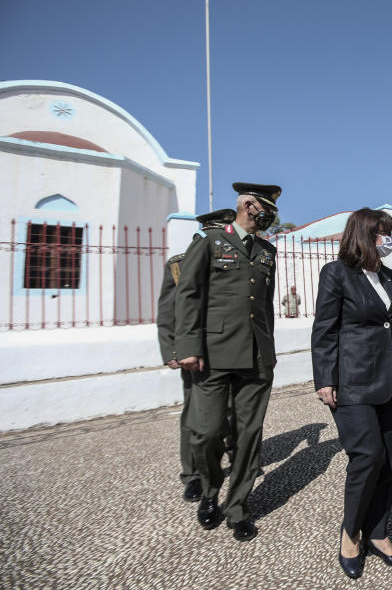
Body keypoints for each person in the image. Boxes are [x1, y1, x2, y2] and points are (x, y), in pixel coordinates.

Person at [312, 208, 392, 579]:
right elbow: (325, 330)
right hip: (353, 381)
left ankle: (378, 533)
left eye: (390, 233)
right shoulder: (337, 274)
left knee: (390, 462)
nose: (388, 240)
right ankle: (351, 534)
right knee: (367, 457)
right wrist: (324, 379)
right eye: (381, 234)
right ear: (364, 235)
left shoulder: (387, 278)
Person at [175, 183, 281, 541]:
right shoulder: (210, 242)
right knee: (206, 432)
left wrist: (270, 349)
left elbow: (264, 306)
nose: (270, 214)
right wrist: (187, 346)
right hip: (214, 354)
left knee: (248, 435)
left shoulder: (267, 251)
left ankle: (237, 508)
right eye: (266, 207)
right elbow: (188, 294)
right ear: (249, 206)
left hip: (255, 356)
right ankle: (209, 490)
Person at [157, 208, 236, 504]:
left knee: (233, 411)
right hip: (195, 353)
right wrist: (173, 350)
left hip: (229, 348)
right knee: (195, 415)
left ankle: (232, 461)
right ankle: (193, 475)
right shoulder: (179, 264)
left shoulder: (233, 262)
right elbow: (168, 311)